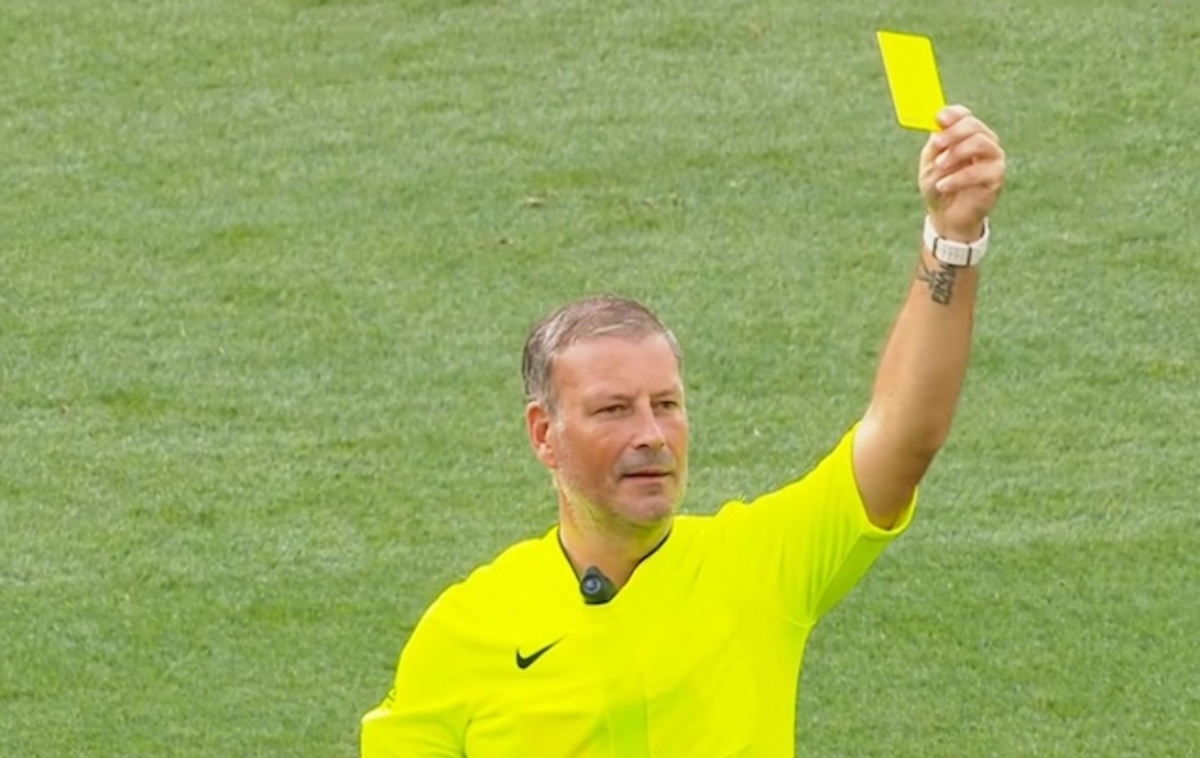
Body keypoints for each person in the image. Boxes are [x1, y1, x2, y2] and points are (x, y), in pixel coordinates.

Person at [361, 104, 1006, 756]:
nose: (652, 435)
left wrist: (952, 240)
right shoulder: (467, 630)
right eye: (614, 410)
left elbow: (905, 433)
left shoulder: (757, 568)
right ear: (543, 434)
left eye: (665, 404)